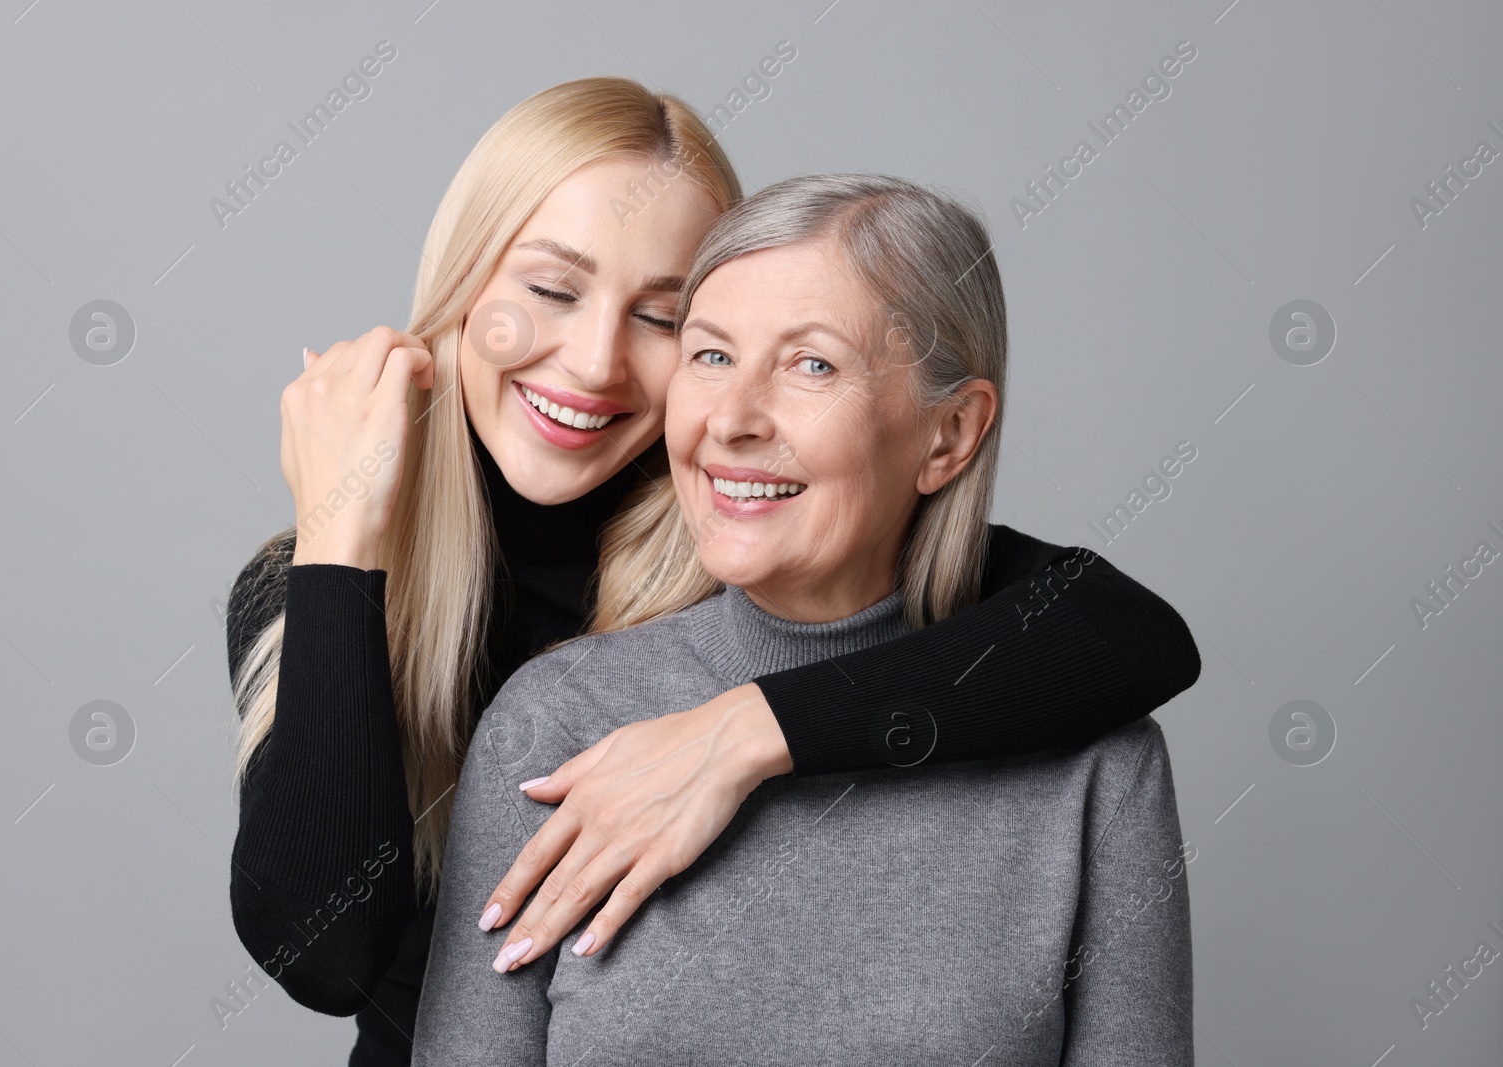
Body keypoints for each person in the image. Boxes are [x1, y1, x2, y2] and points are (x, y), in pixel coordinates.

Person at [225, 80, 1200, 1065]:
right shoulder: (336, 585)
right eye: (552, 291)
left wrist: (743, 726)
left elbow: (1128, 634)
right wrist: (341, 527)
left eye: (662, 318)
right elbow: (326, 954)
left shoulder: (758, 527)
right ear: (460, 286)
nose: (596, 361)